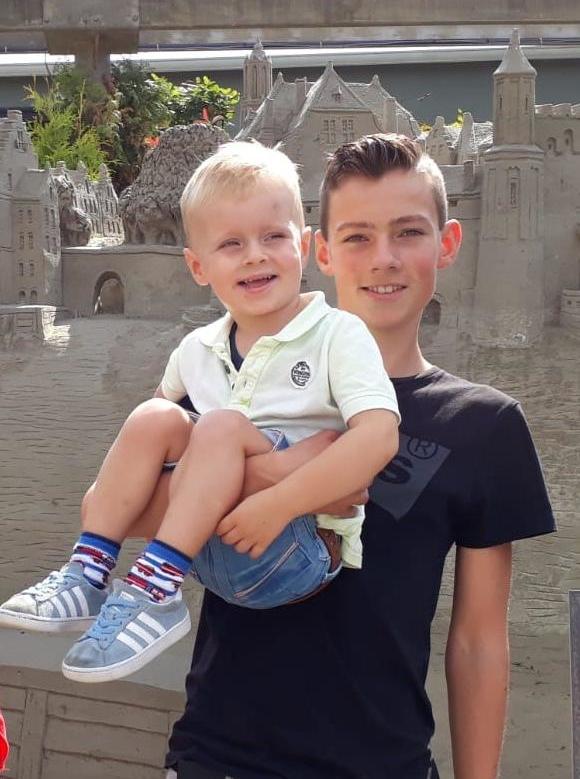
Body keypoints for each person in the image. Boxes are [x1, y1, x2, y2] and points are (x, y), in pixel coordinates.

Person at [159, 135, 554, 779]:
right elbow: (139, 510)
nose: (384, 259)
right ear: (320, 250)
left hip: (384, 763)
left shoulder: (483, 426)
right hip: (220, 754)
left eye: (408, 232)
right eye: (357, 237)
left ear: (447, 243)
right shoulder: (232, 384)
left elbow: (478, 640)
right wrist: (279, 474)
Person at [0, 141, 399, 685]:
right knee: (153, 417)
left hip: (296, 544)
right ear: (198, 266)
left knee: (219, 427)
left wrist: (279, 501)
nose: (255, 255)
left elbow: (378, 438)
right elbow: (117, 487)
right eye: (231, 243)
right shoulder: (195, 350)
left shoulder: (337, 334)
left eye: (273, 237)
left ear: (304, 246)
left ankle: (153, 593)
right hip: (206, 551)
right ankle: (89, 572)